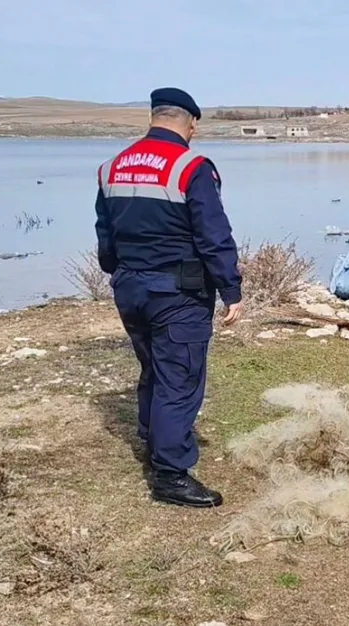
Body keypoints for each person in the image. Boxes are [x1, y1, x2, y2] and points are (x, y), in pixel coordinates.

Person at [94, 87, 243, 509]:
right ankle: (170, 474)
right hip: (177, 292)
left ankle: (152, 438)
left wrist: (119, 273)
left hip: (130, 287)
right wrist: (230, 288)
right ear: (190, 123)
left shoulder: (112, 166)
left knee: (153, 368)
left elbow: (105, 234)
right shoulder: (191, 166)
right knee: (179, 379)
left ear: (154, 117)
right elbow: (213, 235)